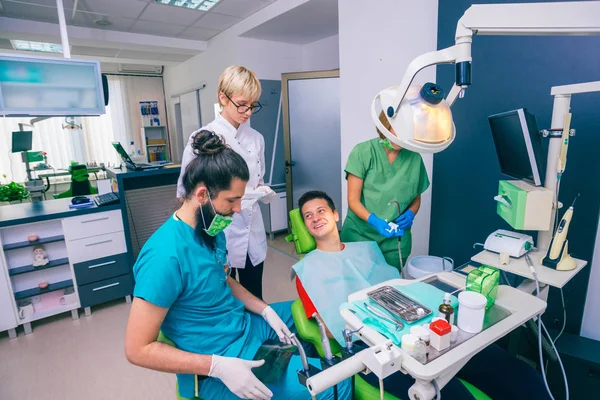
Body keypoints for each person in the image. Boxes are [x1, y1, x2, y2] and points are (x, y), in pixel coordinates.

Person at [126, 132, 350, 400]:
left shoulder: (211, 228)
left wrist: (264, 309)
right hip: (224, 358)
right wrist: (216, 367)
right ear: (202, 195)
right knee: (337, 384)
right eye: (232, 200)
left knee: (308, 313)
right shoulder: (163, 256)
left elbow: (222, 278)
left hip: (245, 324)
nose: (237, 210)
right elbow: (137, 349)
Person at [294, 190, 551, 400]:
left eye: (321, 211)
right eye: (308, 216)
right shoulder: (307, 271)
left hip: (422, 325)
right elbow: (328, 327)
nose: (315, 218)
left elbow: (402, 287)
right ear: (306, 225)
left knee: (513, 372)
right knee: (449, 394)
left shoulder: (367, 249)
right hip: (375, 347)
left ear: (335, 214)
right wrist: (379, 324)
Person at [176, 65, 274, 300]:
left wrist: (261, 190)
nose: (248, 111)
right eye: (242, 104)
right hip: (219, 229)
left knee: (253, 294)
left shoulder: (257, 139)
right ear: (223, 97)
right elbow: (185, 192)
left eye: (253, 105)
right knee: (221, 297)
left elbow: (257, 179)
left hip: (251, 229)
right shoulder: (202, 138)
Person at [340, 111, 430, 272]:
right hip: (360, 234)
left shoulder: (414, 158)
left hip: (395, 240)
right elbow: (353, 200)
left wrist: (410, 214)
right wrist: (374, 220)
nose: (401, 136)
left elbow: (416, 197)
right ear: (384, 126)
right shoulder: (363, 152)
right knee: (357, 284)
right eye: (397, 128)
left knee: (387, 287)